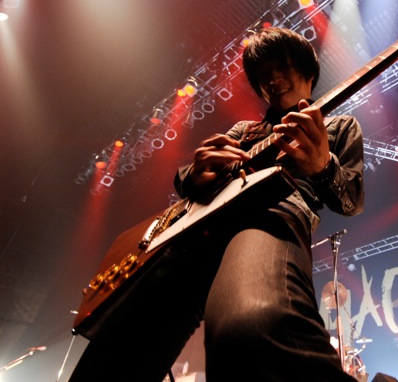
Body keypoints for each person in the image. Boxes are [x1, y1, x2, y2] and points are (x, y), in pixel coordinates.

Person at [69, 27, 365, 381]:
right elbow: (188, 178)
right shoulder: (242, 131)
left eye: (282, 67)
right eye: (263, 74)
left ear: (308, 71)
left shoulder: (338, 126)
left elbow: (351, 201)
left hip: (272, 215)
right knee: (114, 352)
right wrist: (194, 175)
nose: (272, 79)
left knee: (251, 323)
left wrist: (323, 166)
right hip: (200, 229)